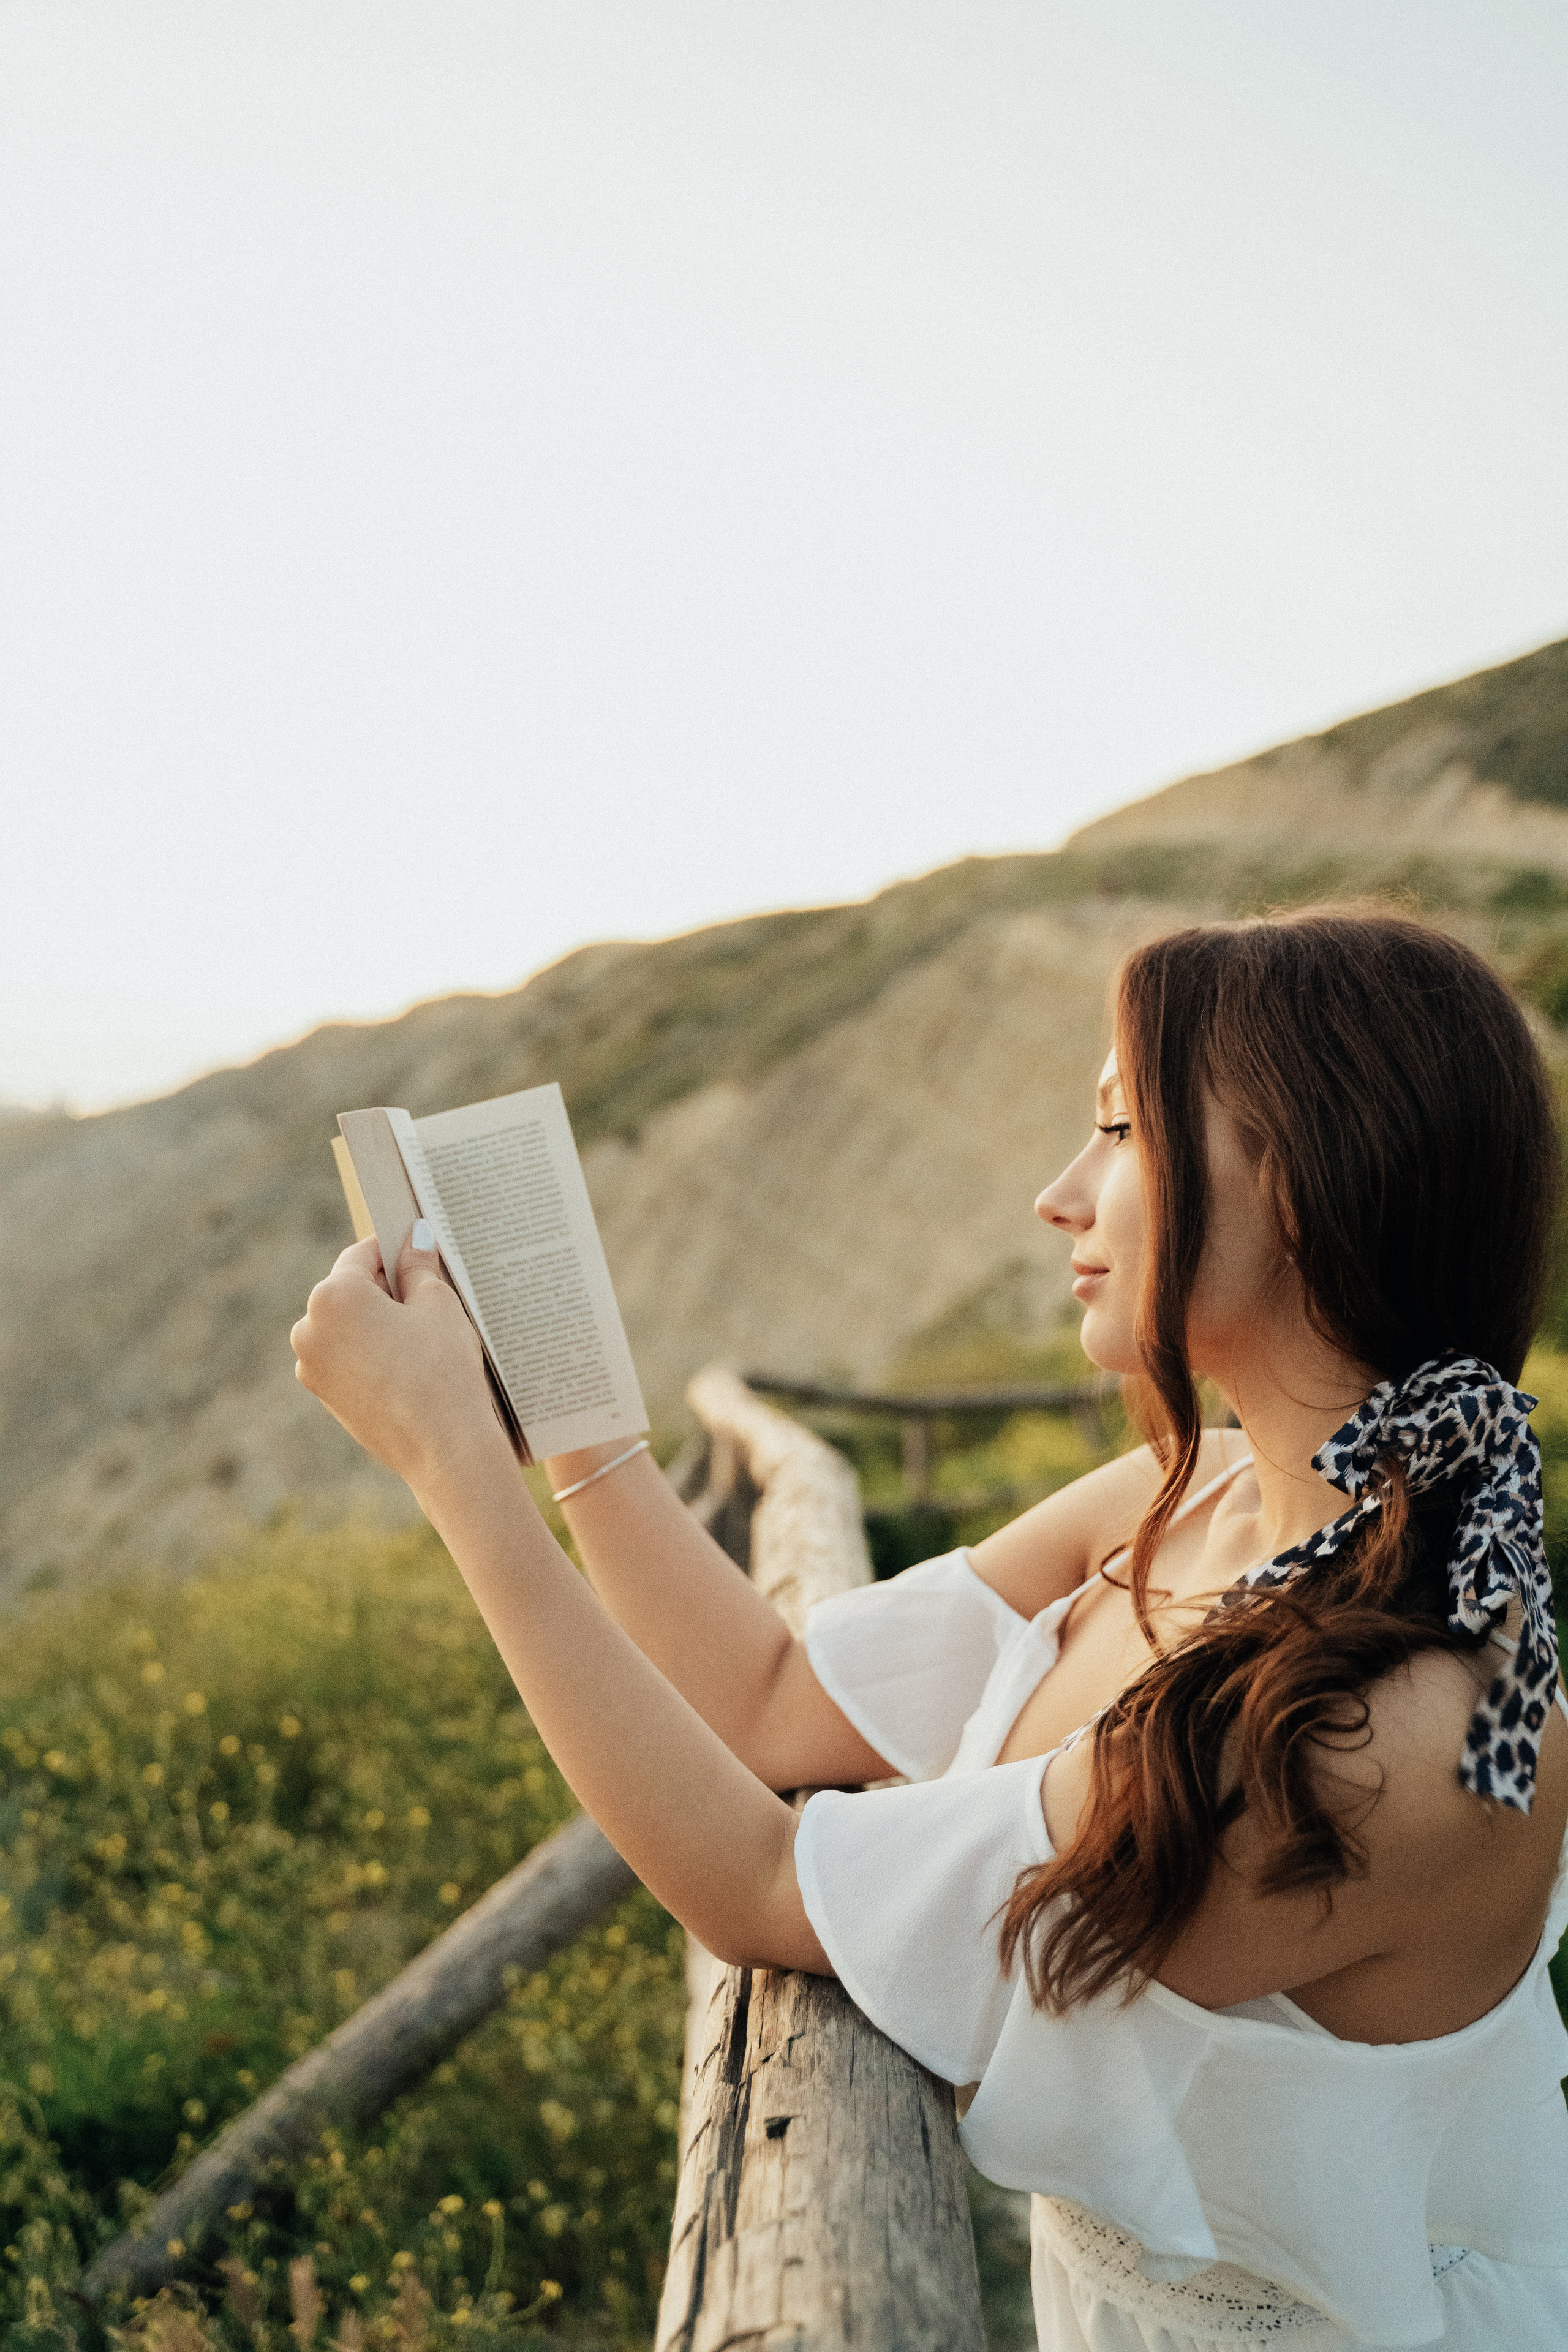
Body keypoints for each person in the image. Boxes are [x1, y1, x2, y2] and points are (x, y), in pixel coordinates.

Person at [291, 906, 1568, 2351]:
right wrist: (564, 1412)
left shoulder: (1381, 1727)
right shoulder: (1185, 1495)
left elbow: (767, 1883)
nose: (1058, 1193)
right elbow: (773, 1698)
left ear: (1303, 1182)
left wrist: (457, 1473)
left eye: (1118, 1128)